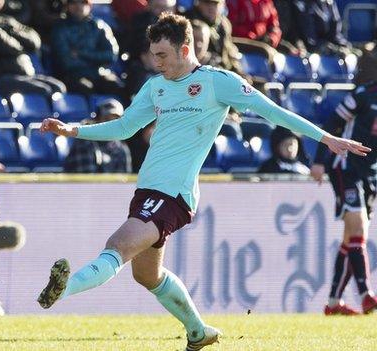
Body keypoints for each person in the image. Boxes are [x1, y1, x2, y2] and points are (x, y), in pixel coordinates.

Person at [37, 13, 370, 350]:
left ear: (185, 49)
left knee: (117, 245)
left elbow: (273, 112)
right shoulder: (156, 86)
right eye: (154, 55)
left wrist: (326, 138)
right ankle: (198, 332)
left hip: (175, 193)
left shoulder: (217, 82)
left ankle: (64, 288)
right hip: (148, 190)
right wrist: (73, 129)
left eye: (163, 55)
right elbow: (124, 127)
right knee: (147, 275)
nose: (157, 63)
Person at [311, 80, 377, 316]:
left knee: (352, 239)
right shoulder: (362, 95)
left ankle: (332, 303)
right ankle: (366, 295)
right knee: (357, 228)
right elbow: (333, 124)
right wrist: (319, 160)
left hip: (371, 174)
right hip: (346, 167)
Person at [0, 0, 66, 97]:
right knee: (43, 90)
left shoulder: (7, 18)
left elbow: (34, 41)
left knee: (58, 87)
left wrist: (11, 32)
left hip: (23, 75)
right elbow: (2, 45)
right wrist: (22, 43)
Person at [51, 0, 123, 97]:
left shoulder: (99, 26)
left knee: (116, 85)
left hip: (99, 73)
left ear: (89, 5)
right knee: (85, 88)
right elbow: (66, 62)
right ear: (67, 6)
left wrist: (81, 54)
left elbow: (111, 55)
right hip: (73, 76)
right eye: (73, 2)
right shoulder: (60, 28)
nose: (78, 6)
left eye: (83, 2)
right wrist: (95, 60)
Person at [64, 98, 132, 173]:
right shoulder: (84, 141)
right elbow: (87, 180)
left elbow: (124, 180)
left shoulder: (121, 147)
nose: (111, 125)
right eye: (107, 120)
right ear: (96, 120)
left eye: (115, 121)